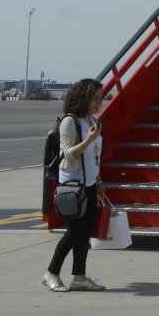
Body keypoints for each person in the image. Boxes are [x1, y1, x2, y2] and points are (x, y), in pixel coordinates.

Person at [44, 78, 107, 292]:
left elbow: (94, 156)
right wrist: (89, 139)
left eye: (100, 98)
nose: (98, 103)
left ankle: (79, 277)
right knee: (73, 232)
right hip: (72, 184)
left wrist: (98, 181)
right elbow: (68, 154)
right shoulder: (70, 121)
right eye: (95, 99)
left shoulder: (91, 120)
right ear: (84, 98)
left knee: (85, 232)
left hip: (89, 183)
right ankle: (51, 272)